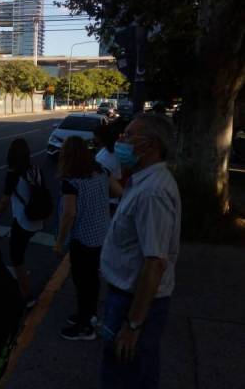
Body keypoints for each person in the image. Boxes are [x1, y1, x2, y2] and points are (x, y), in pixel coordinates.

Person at [100, 113, 181, 389]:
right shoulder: (142, 182)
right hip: (125, 299)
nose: (121, 141)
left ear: (150, 145)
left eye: (128, 136)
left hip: (132, 304)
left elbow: (155, 262)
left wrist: (133, 325)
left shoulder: (152, 193)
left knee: (125, 377)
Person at [54, 136, 122, 341]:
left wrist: (59, 242)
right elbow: (120, 192)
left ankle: (85, 327)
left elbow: (69, 214)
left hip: (83, 239)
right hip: (102, 235)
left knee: (83, 282)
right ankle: (87, 315)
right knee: (91, 281)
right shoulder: (101, 171)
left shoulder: (71, 181)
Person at [0, 138, 45, 307]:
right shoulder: (36, 169)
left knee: (16, 258)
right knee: (18, 254)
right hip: (37, 219)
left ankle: (26, 295)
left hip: (23, 221)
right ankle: (24, 290)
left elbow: (4, 202)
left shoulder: (12, 174)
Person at [94, 124, 123, 214]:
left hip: (106, 201)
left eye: (95, 137)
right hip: (113, 200)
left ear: (99, 138)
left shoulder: (103, 157)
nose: (94, 139)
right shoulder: (114, 152)